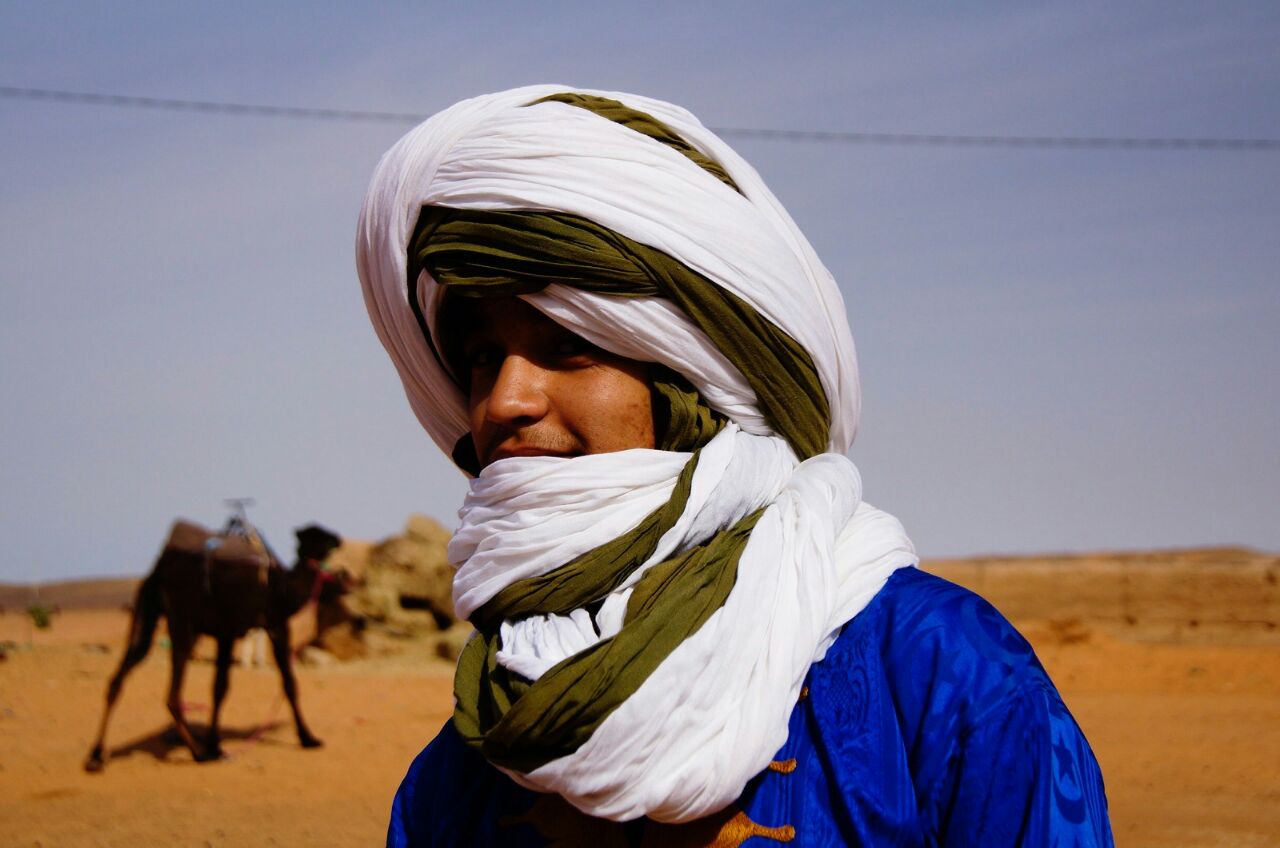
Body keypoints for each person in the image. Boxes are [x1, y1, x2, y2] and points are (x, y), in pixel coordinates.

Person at [356, 86, 1113, 847]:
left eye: (568, 346)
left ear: (689, 388)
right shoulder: (478, 751)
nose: (504, 401)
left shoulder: (938, 676)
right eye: (485, 357)